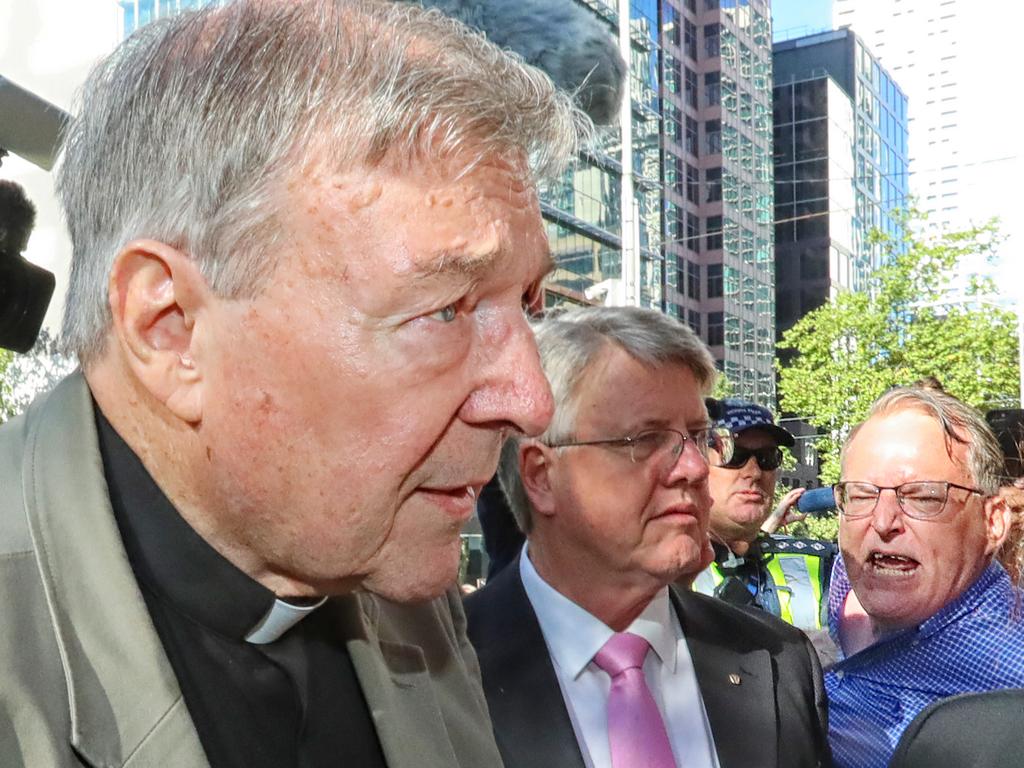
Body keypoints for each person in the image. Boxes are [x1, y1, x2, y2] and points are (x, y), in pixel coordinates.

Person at [0, 2, 588, 766]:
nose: (531, 400)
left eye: (528, 305)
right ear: (170, 327)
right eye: (446, 309)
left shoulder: (389, 556)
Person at [465, 307, 831, 768]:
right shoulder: (434, 675)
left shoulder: (779, 662)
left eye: (698, 437)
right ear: (540, 476)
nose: (695, 468)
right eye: (644, 439)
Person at [825, 387, 1024, 768]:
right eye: (861, 495)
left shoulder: (1010, 674)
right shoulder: (841, 592)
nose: (882, 522)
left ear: (993, 520)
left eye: (923, 496)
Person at [692, 398, 837, 632]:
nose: (755, 472)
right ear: (695, 463)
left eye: (767, 457)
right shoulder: (663, 572)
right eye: (734, 454)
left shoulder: (825, 567)